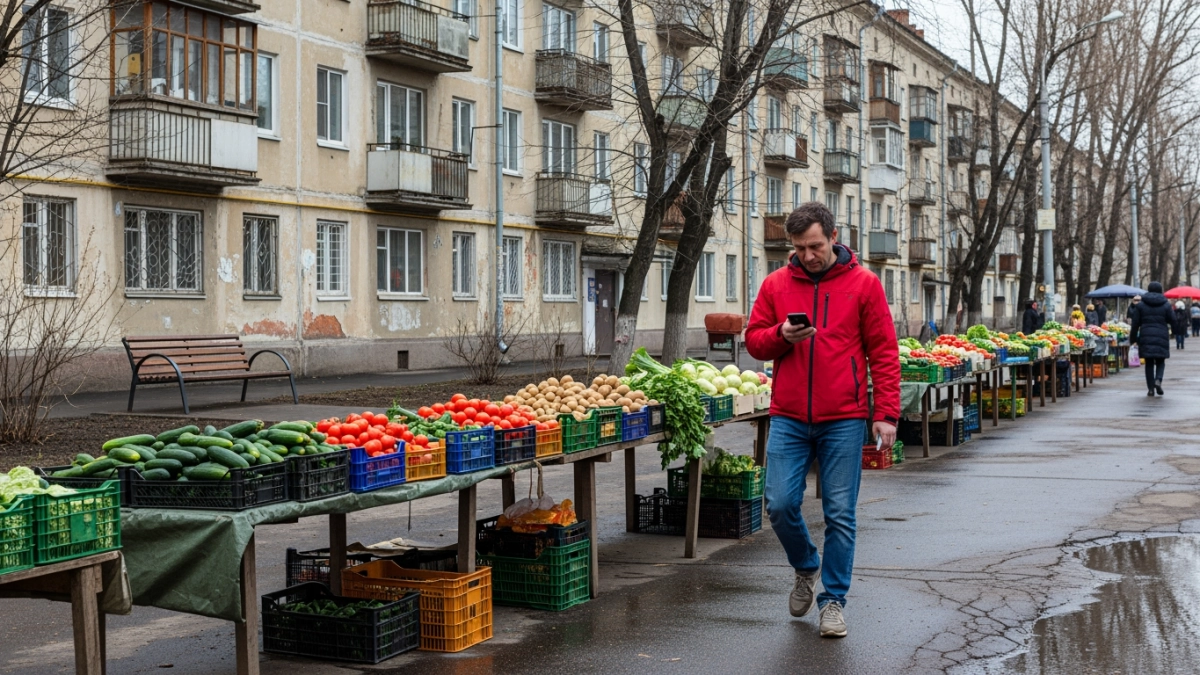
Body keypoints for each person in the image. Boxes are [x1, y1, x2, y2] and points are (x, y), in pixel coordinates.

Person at [746, 202, 900, 639]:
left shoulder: (864, 284)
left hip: (844, 418)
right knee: (777, 503)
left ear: (834, 236)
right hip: (790, 416)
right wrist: (781, 335)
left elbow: (884, 353)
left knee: (840, 514)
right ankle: (805, 566)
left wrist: (885, 413)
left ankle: (833, 602)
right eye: (799, 248)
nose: (808, 256)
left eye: (815, 245)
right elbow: (755, 340)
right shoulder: (777, 284)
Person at [1130, 282, 1173, 396]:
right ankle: (1158, 380)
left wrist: (1133, 338)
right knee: (1160, 361)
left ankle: (1150, 389)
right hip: (1161, 335)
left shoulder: (1140, 305)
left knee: (1149, 363)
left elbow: (1135, 324)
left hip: (1146, 335)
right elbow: (1172, 319)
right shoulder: (1166, 305)